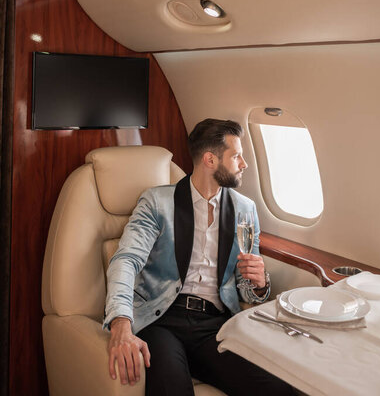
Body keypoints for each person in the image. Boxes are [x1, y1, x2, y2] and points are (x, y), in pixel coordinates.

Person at [103, 118, 294, 395]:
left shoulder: (245, 209)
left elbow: (246, 290)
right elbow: (125, 260)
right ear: (210, 159)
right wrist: (121, 323)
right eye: (237, 156)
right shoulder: (157, 203)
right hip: (162, 320)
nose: (244, 164)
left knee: (277, 389)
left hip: (214, 325)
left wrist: (259, 284)